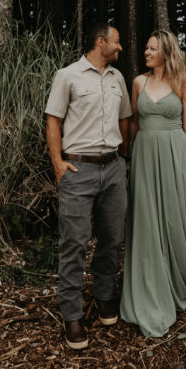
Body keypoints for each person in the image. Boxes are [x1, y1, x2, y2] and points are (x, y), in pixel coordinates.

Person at [120, 28, 186, 338]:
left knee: (180, 215)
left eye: (152, 49)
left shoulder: (182, 83)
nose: (146, 52)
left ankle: (183, 276)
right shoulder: (138, 82)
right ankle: (151, 284)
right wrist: (124, 154)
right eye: (146, 48)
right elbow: (134, 122)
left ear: (165, 52)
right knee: (148, 220)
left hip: (176, 154)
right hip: (146, 156)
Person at [45, 22, 132, 350]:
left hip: (112, 169)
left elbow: (124, 119)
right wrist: (58, 163)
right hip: (78, 169)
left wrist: (123, 156)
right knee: (75, 243)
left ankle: (105, 295)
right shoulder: (67, 76)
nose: (120, 48)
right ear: (101, 42)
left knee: (112, 238)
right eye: (117, 42)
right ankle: (72, 314)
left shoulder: (117, 78)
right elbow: (53, 119)